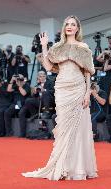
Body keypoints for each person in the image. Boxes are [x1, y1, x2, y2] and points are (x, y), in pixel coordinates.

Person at [22, 15, 98, 180]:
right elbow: (49, 66)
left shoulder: (83, 47)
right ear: (64, 28)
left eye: (73, 24)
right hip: (62, 89)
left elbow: (87, 73)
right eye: (67, 24)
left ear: (77, 28)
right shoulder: (57, 47)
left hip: (78, 88)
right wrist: (44, 47)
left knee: (78, 128)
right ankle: (61, 165)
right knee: (63, 128)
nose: (69, 27)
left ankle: (76, 168)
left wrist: (87, 93)